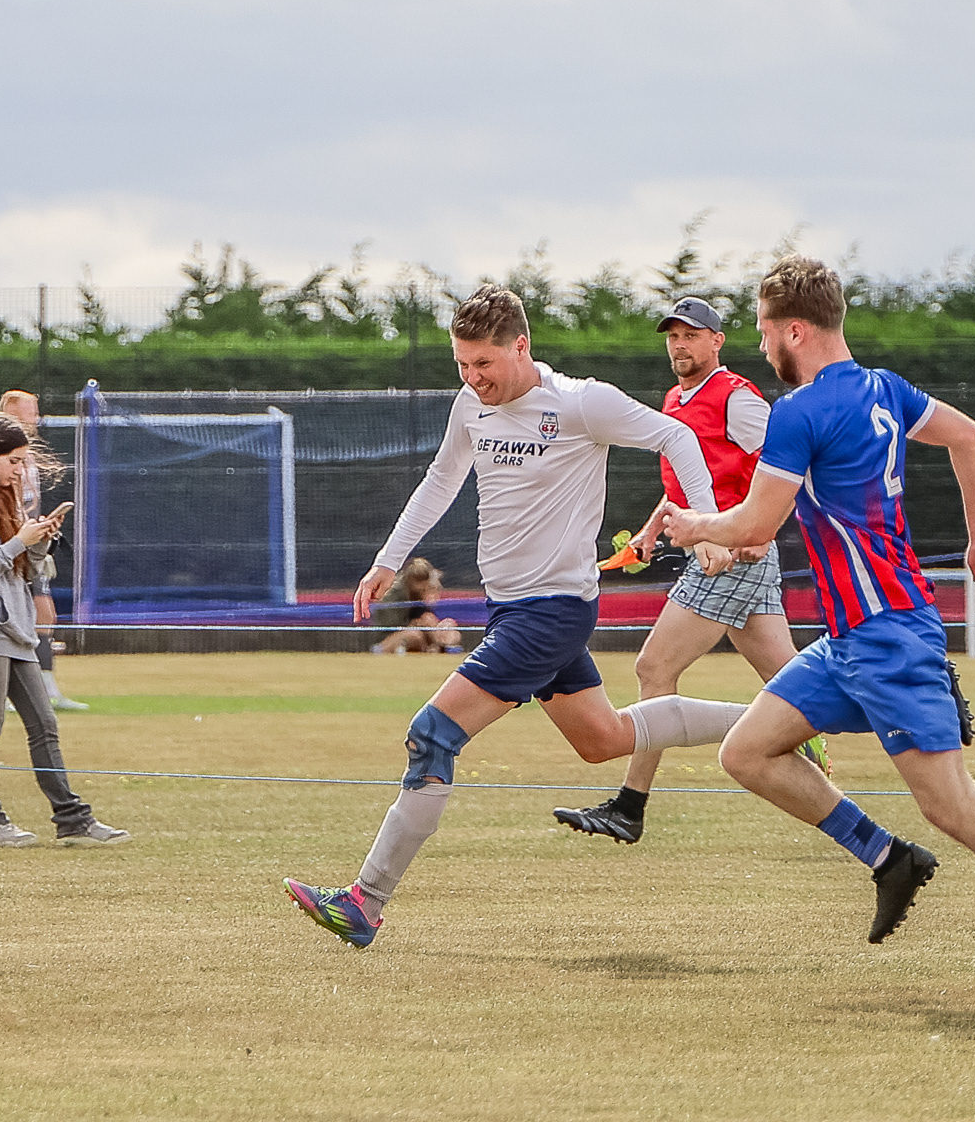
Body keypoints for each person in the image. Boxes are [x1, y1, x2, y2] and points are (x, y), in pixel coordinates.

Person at [659, 256, 975, 1004]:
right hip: (853, 638)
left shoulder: (799, 411)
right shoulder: (885, 388)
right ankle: (889, 860)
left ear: (794, 330)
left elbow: (754, 523)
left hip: (886, 634)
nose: (762, 344)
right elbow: (970, 436)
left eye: (763, 330)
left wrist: (694, 526)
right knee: (747, 751)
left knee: (950, 804)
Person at [284, 283, 754, 949]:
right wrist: (389, 559)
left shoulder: (580, 403)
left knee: (432, 735)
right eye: (462, 365)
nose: (473, 379)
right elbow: (441, 480)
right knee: (604, 739)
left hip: (552, 612)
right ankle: (775, 721)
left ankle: (366, 902)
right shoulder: (471, 404)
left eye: (484, 364)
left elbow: (676, 436)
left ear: (521, 347)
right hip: (510, 612)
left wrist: (704, 524)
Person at [552, 295, 815, 845]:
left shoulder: (736, 399)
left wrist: (758, 531)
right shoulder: (675, 399)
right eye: (673, 335)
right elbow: (683, 482)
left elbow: (790, 468)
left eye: (691, 335)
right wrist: (651, 531)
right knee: (796, 685)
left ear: (717, 341)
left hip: (730, 559)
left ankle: (629, 806)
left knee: (653, 668)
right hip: (728, 555)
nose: (679, 344)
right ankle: (911, 701)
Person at [0, 413, 129, 848]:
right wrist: (21, 540)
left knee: (44, 722)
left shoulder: (6, 496)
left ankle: (72, 819)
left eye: (24, 461)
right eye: (14, 461)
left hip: (16, 626)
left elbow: (23, 569)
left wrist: (40, 541)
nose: (20, 471)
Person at [0, 389, 88, 712]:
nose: (37, 419)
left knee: (44, 614)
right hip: (9, 548)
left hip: (29, 544)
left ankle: (47, 689)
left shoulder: (28, 455)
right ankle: (8, 691)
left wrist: (42, 528)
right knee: (16, 616)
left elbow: (27, 503)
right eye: (31, 412)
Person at [370, 557, 464, 654]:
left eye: (425, 581)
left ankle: (445, 649)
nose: (422, 586)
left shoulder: (426, 591)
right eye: (418, 581)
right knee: (414, 636)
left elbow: (427, 616)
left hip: (421, 631)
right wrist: (413, 625)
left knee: (448, 626)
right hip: (388, 640)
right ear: (410, 579)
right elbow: (390, 627)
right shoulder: (392, 596)